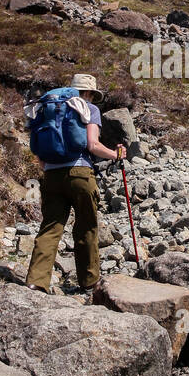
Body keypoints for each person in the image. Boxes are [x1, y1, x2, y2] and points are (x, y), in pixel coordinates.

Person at [25, 72, 125, 295]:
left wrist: (52, 169)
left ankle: (36, 281)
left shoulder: (48, 108)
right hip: (80, 173)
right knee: (86, 226)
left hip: (51, 175)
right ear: (89, 92)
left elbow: (39, 154)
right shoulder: (89, 108)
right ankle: (89, 281)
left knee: (50, 228)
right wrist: (116, 155)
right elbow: (92, 145)